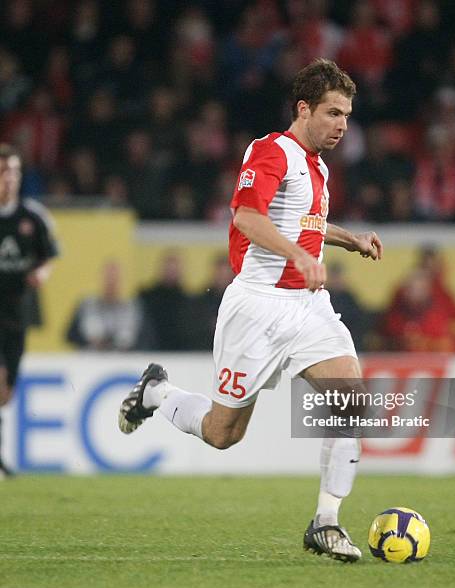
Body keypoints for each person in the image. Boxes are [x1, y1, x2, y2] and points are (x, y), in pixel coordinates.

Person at [118, 59, 383, 562]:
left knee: (351, 402)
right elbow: (246, 216)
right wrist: (300, 256)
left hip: (308, 309)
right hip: (258, 307)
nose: (342, 125)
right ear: (303, 109)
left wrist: (350, 240)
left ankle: (325, 523)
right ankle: (157, 393)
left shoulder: (319, 168)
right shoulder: (270, 151)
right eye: (332, 113)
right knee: (223, 434)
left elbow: (307, 221)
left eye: (347, 115)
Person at [0, 143, 59, 477]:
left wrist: (42, 272)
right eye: (3, 172)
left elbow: (48, 254)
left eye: (14, 171)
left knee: (6, 394)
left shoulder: (31, 217)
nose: (9, 178)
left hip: (17, 312)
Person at [66, 260, 144, 351]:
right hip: (91, 359)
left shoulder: (132, 308)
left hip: (124, 360)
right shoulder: (87, 306)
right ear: (102, 279)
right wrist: (89, 340)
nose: (111, 283)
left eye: (115, 278)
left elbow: (144, 339)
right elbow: (70, 335)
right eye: (108, 278)